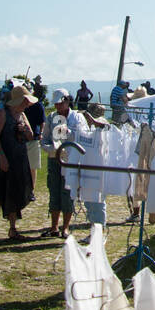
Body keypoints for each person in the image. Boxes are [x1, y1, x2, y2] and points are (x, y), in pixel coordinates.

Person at [43, 89, 107, 238]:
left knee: (67, 192)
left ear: (67, 101)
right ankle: (54, 226)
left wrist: (66, 132)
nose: (58, 107)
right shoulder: (51, 117)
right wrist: (50, 149)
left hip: (71, 159)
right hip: (55, 158)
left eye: (61, 103)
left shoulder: (77, 117)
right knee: (54, 190)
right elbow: (45, 138)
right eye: (57, 104)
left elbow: (82, 136)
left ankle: (65, 226)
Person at [0, 84, 36, 242]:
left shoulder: (22, 115)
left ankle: (12, 229)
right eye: (25, 101)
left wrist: (25, 130)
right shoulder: (3, 114)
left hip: (18, 157)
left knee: (14, 192)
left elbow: (30, 136)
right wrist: (1, 157)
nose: (27, 104)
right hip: (3, 156)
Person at [24, 92, 46, 196]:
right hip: (20, 139)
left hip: (34, 138)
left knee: (32, 167)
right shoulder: (19, 105)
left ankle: (31, 190)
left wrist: (41, 133)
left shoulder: (38, 105)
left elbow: (42, 121)